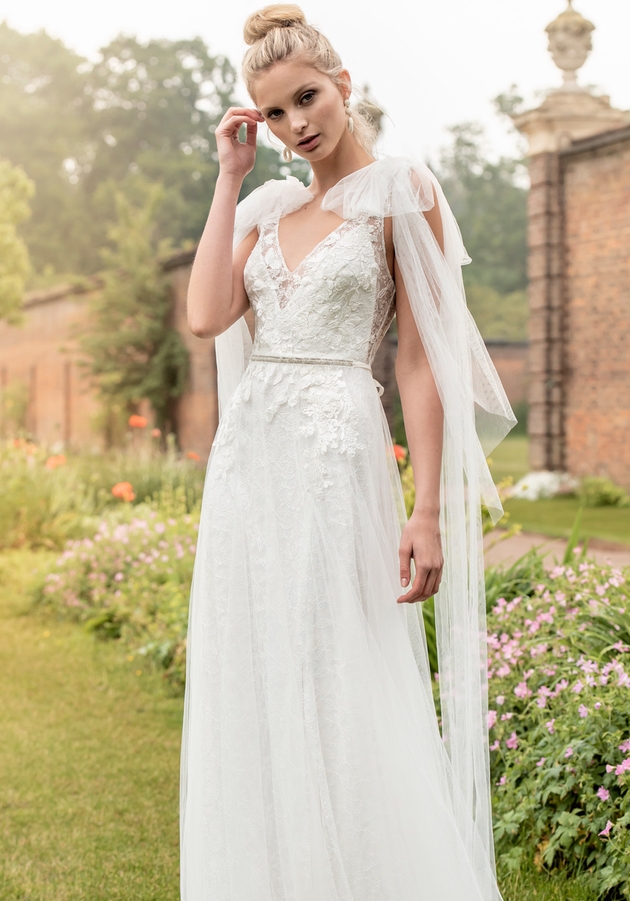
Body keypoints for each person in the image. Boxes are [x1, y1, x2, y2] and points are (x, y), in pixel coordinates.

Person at [180, 5, 516, 899]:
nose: (299, 125)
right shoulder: (269, 202)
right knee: (257, 664)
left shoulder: (404, 191)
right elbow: (208, 314)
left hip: (339, 448)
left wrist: (428, 507)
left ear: (344, 85)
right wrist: (228, 177)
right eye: (278, 113)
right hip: (252, 457)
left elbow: (418, 357)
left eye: (308, 98)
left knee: (340, 660)